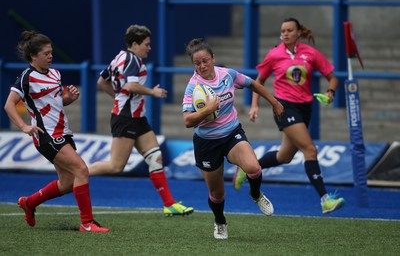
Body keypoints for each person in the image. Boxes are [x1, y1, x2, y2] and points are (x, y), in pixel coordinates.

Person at [233, 17, 345, 214]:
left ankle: (248, 166)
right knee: (310, 150)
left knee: (284, 157)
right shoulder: (274, 55)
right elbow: (258, 81)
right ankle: (325, 199)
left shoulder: (311, 54)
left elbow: (332, 77)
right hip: (283, 107)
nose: (285, 34)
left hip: (305, 108)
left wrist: (330, 93)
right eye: (283, 31)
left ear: (298, 33)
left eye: (289, 30)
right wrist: (254, 106)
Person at [4, 31, 109, 232]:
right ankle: (86, 222)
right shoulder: (27, 77)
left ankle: (29, 202)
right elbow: (9, 105)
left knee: (68, 182)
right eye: (45, 53)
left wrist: (67, 100)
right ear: (33, 57)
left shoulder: (55, 73)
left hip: (64, 132)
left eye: (51, 52)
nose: (50, 56)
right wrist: (24, 126)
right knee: (81, 170)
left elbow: (52, 104)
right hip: (46, 135)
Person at [182, 38, 284, 239]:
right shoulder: (193, 87)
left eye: (205, 60)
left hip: (231, 133)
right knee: (217, 194)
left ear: (213, 58)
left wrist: (274, 102)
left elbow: (253, 84)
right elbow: (187, 121)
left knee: (254, 168)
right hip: (206, 143)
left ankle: (255, 194)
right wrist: (207, 110)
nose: (202, 66)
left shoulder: (227, 75)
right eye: (197, 63)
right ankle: (220, 221)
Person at [88, 24, 194, 216]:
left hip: (137, 118)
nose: (149, 48)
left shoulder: (119, 57)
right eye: (146, 44)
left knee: (156, 157)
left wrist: (119, 98)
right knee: (115, 166)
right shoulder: (133, 60)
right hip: (126, 118)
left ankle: (169, 204)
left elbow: (101, 81)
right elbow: (130, 85)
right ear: (135, 44)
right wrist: (152, 92)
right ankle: (78, 173)